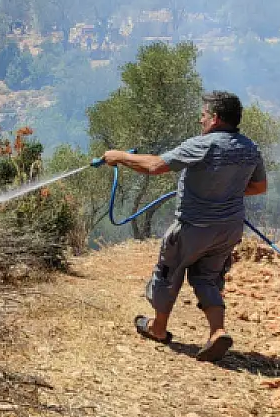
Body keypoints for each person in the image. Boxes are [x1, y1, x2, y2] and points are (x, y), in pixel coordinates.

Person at [101, 91, 268, 362]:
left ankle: (158, 328)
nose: (200, 120)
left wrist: (118, 156)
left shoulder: (202, 145)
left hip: (194, 227)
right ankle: (217, 332)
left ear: (214, 119)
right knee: (207, 278)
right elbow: (259, 187)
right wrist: (226, 192)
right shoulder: (249, 148)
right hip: (229, 229)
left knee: (168, 272)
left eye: (203, 115)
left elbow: (155, 166)